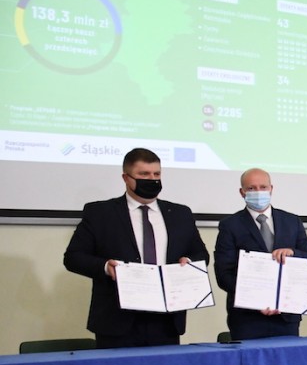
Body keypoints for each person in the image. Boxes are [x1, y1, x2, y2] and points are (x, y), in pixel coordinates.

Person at [63, 148, 209, 348]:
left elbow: (200, 254)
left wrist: (189, 262)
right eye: (144, 174)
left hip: (166, 320)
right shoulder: (100, 213)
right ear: (126, 178)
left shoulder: (180, 214)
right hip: (117, 320)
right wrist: (105, 267)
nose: (152, 180)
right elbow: (73, 257)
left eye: (156, 174)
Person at [214, 168, 307, 340]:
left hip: (286, 317)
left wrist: (293, 253)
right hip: (247, 318)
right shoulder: (230, 225)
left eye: (263, 187)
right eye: (251, 188)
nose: (258, 192)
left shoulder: (292, 221)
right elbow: (224, 274)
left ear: (271, 189)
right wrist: (257, 300)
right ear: (242, 192)